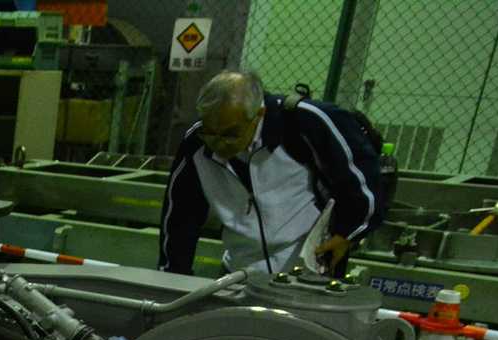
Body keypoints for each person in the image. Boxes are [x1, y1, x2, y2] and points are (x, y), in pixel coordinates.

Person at [159, 71, 385, 278]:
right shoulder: (196, 144)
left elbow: (363, 175)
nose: (218, 143)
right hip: (239, 270)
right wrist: (172, 275)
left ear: (259, 115)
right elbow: (180, 214)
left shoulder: (304, 124)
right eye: (210, 132)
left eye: (231, 134)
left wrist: (347, 234)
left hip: (304, 269)